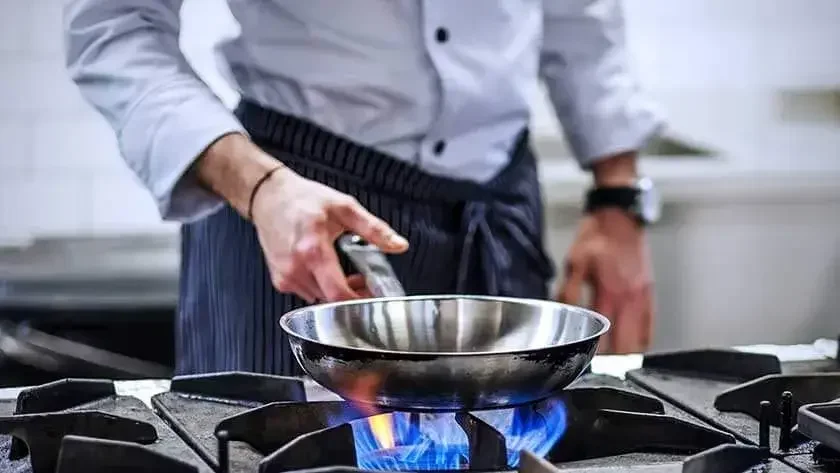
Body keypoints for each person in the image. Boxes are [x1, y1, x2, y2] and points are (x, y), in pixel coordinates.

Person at [64, 0, 663, 375]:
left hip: (494, 211)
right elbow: (115, 26)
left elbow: (581, 14)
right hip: (288, 206)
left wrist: (618, 197)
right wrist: (259, 184)